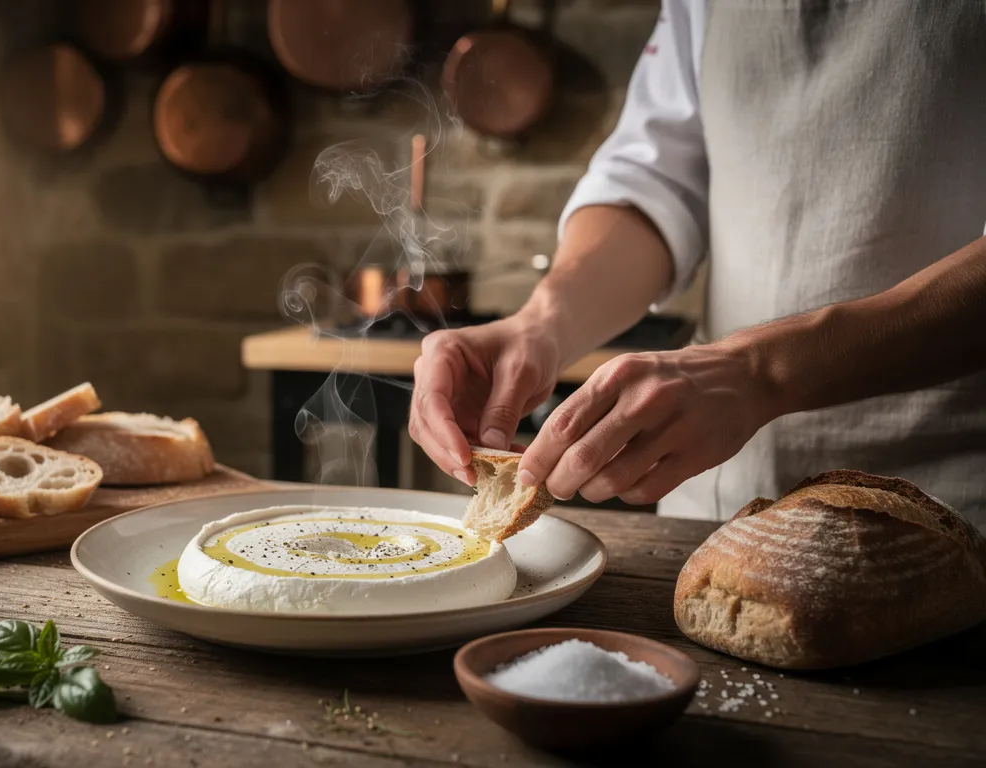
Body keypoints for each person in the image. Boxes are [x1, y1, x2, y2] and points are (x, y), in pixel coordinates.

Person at [409, 0, 986, 524]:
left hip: (945, 506)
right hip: (712, 510)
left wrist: (760, 371)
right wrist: (539, 326)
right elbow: (657, 180)